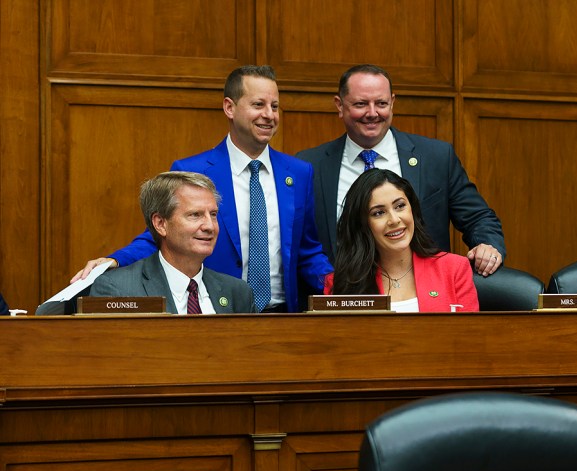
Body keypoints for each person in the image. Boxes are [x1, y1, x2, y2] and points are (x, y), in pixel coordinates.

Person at [72, 65, 332, 312]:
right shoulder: (193, 170)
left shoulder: (298, 173)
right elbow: (160, 235)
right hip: (220, 310)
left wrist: (341, 289)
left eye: (274, 106)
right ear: (229, 107)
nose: (269, 115)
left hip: (286, 315)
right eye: (258, 105)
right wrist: (115, 260)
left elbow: (307, 250)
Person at [295, 64, 504, 277]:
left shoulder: (436, 158)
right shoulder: (309, 166)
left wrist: (487, 245)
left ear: (392, 103)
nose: (372, 113)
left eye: (381, 103)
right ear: (339, 105)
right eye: (361, 104)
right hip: (343, 297)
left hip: (423, 297)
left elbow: (478, 217)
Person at [91, 172, 256, 314]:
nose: (210, 226)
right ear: (161, 224)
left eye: (213, 214)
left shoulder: (237, 292)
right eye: (195, 215)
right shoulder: (117, 290)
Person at [324, 169, 478, 312]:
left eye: (400, 206)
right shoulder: (341, 283)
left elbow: (470, 337)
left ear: (413, 209)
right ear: (362, 224)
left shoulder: (454, 269)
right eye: (378, 213)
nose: (394, 220)